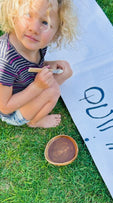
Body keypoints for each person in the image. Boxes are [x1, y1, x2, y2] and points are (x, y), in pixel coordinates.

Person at [0, 0, 77, 128]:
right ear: (13, 14)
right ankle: (34, 122)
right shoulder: (5, 62)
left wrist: (48, 65)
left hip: (26, 86)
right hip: (13, 111)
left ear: (56, 33)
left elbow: (27, 67)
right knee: (53, 91)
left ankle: (42, 97)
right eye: (28, 15)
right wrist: (37, 87)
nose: (34, 29)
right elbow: (5, 107)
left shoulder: (37, 44)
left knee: (65, 69)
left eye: (45, 22)